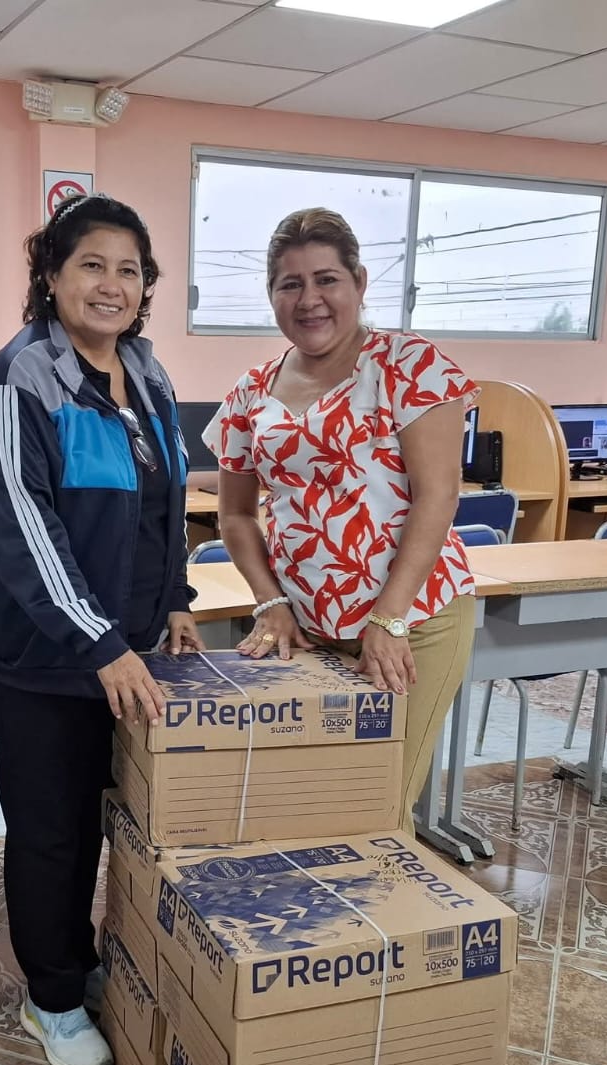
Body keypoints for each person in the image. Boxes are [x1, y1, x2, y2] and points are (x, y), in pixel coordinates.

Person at [0, 194, 201, 1065]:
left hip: (128, 647)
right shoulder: (18, 379)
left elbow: (166, 503)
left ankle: (91, 958)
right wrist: (100, 642)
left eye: (129, 270)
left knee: (108, 816)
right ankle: (53, 997)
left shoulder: (147, 372)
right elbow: (25, 529)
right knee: (52, 828)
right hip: (44, 654)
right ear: (52, 276)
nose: (111, 285)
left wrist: (175, 597)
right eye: (91, 265)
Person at [203, 207, 477, 834]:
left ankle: (386, 900)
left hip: (411, 621)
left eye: (326, 279)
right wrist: (270, 602)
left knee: (373, 806)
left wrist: (389, 617)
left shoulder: (408, 365)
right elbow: (236, 514)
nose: (310, 299)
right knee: (306, 802)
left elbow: (438, 497)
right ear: (271, 295)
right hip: (304, 628)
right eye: (290, 284)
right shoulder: (250, 392)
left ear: (359, 282)